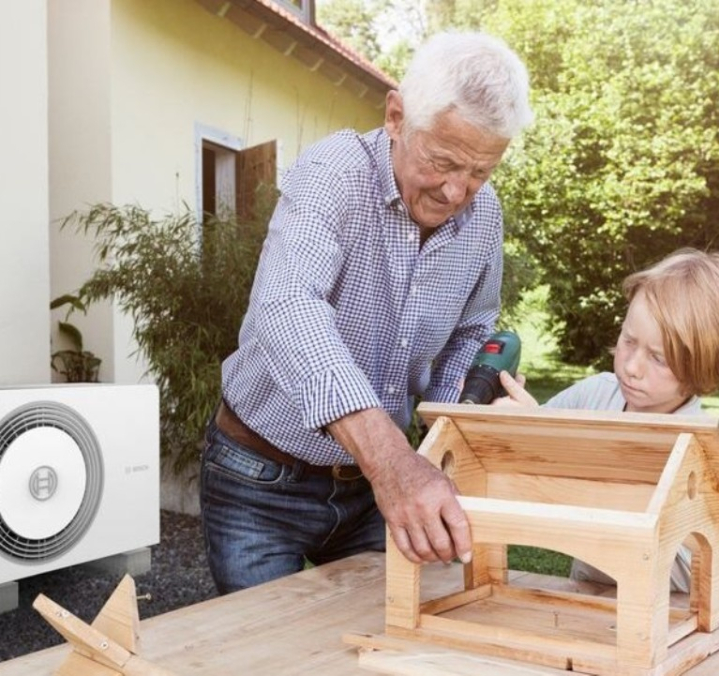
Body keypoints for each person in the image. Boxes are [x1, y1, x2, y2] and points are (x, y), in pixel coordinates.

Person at [200, 32, 533, 594]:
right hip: (258, 480)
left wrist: (464, 421)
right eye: (444, 161)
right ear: (397, 116)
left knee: (388, 645)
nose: (458, 192)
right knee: (272, 655)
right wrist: (395, 465)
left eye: (480, 171)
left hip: (371, 494)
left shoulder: (484, 214)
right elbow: (288, 308)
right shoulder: (333, 171)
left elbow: (473, 331)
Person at [495, 248, 719, 592]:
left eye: (658, 358)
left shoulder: (698, 448)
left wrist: (563, 466)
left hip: (665, 612)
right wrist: (514, 425)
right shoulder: (595, 396)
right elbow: (530, 460)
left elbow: (674, 567)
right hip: (586, 597)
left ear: (703, 368)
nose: (631, 367)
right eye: (628, 340)